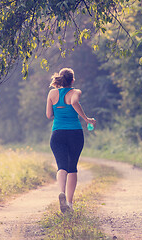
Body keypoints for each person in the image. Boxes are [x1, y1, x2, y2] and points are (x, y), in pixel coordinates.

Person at [46, 67, 96, 213]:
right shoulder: (76, 92)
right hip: (74, 133)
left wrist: (59, 108)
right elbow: (74, 102)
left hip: (57, 134)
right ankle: (69, 203)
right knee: (72, 167)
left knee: (61, 166)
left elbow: (49, 115)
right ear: (72, 80)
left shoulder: (52, 93)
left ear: (60, 79)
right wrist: (87, 119)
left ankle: (61, 192)